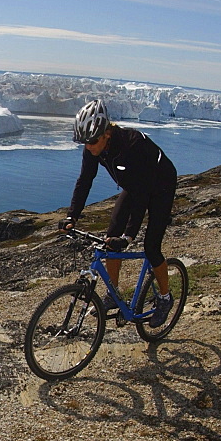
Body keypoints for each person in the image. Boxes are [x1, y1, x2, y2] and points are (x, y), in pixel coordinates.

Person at [60, 99, 178, 327]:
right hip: (134, 187)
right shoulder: (93, 148)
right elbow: (85, 180)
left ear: (106, 133)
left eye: (92, 141)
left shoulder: (131, 146)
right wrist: (72, 216)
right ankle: (114, 295)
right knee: (109, 242)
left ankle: (164, 298)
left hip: (160, 187)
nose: (88, 147)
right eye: (83, 142)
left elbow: (142, 196)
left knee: (151, 247)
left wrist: (129, 236)